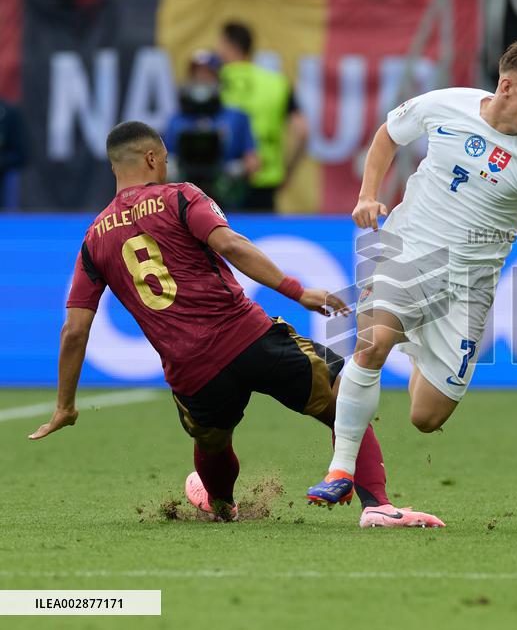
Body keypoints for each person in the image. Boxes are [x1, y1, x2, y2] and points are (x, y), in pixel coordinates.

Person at [28, 121, 443, 528]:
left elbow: (75, 331)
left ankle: (222, 505)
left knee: (211, 442)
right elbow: (229, 243)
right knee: (345, 398)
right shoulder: (180, 197)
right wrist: (298, 292)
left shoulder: (94, 238)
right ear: (152, 157)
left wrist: (65, 405)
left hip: (191, 372)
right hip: (248, 338)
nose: (168, 167)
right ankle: (378, 505)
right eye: (165, 159)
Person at [306, 38, 517, 506]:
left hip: (467, 289)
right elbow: (388, 135)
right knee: (373, 342)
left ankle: (418, 346)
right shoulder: (446, 105)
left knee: (426, 418)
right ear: (505, 85)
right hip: (408, 252)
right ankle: (340, 468)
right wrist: (367, 194)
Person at [217, 22, 308, 212]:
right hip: (266, 181)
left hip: (222, 182)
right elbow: (302, 132)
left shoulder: (216, 81)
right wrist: (287, 172)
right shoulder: (277, 82)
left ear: (227, 45)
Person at [162, 50, 259, 208]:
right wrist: (169, 168)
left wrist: (239, 168)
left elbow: (254, 161)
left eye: (207, 75)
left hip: (226, 201)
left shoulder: (237, 117)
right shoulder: (176, 119)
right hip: (185, 203)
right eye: (196, 75)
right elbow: (163, 160)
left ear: (218, 79)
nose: (201, 80)